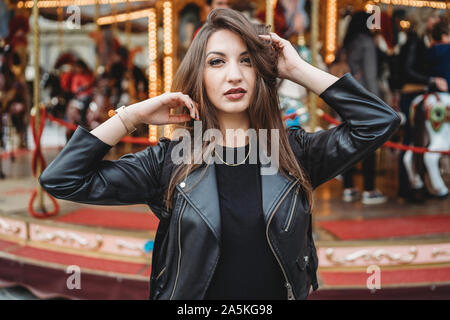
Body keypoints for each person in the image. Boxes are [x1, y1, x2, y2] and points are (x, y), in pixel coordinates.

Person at [38, 9, 400, 300]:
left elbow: (379, 122)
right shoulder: (170, 161)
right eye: (216, 62)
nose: (233, 75)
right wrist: (132, 115)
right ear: (199, 75)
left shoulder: (295, 152)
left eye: (246, 61)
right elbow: (62, 179)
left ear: (260, 71)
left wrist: (297, 70)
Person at [340, 11, 388, 205]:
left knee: (348, 144)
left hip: (345, 100)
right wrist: (377, 103)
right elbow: (370, 75)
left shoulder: (346, 45)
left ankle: (349, 187)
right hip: (363, 101)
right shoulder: (367, 43)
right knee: (368, 145)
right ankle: (369, 189)